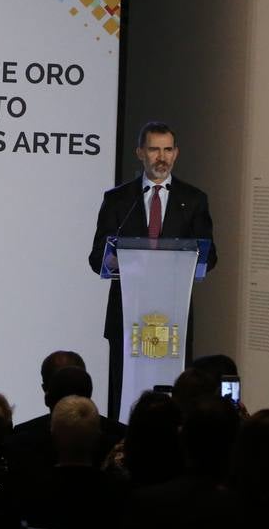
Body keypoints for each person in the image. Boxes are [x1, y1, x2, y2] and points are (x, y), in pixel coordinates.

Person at [88, 122, 217, 419]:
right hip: (128, 314)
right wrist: (114, 260)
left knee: (173, 392)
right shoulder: (119, 200)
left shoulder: (194, 200)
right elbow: (97, 257)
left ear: (176, 154)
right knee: (125, 392)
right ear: (140, 153)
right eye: (154, 149)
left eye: (168, 150)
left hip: (174, 316)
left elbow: (209, 256)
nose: (162, 157)